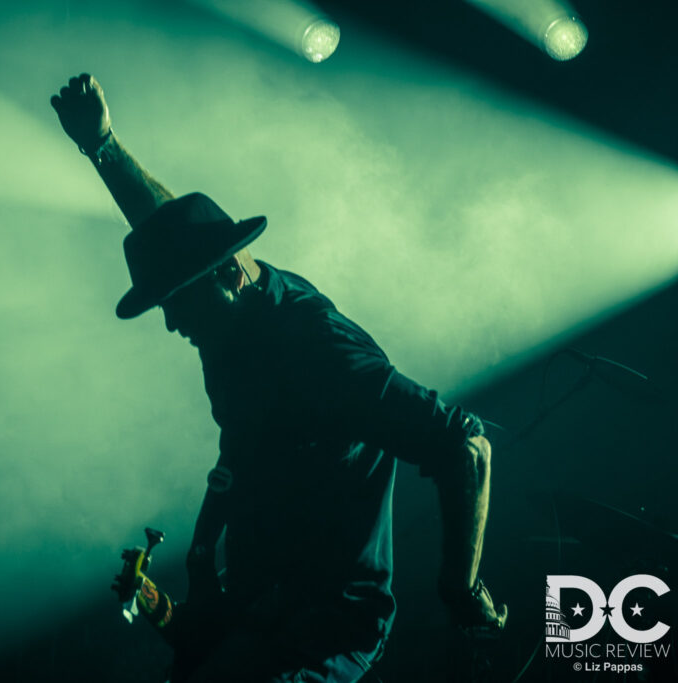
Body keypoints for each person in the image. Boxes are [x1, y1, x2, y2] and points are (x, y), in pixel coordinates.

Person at [51, 73, 507, 683]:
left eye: (176, 306)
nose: (170, 325)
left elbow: (465, 447)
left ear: (227, 278)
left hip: (324, 628)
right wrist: (102, 145)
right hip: (257, 601)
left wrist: (461, 587)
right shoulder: (221, 307)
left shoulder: (320, 351)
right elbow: (167, 228)